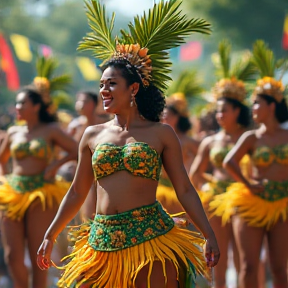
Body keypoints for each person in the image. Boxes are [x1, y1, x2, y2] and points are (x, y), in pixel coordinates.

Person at [37, 1, 219, 287]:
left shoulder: (161, 133)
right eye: (101, 84)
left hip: (150, 239)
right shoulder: (92, 135)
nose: (103, 91)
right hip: (100, 242)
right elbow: (77, 191)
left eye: (111, 84)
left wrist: (208, 233)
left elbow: (184, 187)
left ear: (133, 88)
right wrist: (50, 234)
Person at [211, 40, 288, 288]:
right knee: (248, 265)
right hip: (252, 202)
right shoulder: (251, 137)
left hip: (283, 203)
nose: (253, 108)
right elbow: (229, 161)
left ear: (272, 106)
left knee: (279, 266)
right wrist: (247, 182)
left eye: (257, 103)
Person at [189, 40, 253, 288]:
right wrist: (209, 185)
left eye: (224, 110)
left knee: (245, 257)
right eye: (217, 111)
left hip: (245, 200)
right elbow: (195, 174)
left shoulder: (250, 138)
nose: (219, 115)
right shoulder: (210, 141)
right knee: (218, 255)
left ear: (237, 111)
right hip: (216, 201)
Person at [0, 87, 77, 288]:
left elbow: (77, 150)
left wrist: (55, 165)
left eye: (22, 103)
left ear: (36, 106)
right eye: (17, 103)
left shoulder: (50, 130)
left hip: (41, 194)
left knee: (38, 256)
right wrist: (4, 178)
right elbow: (2, 158)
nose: (17, 107)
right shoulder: (13, 131)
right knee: (12, 257)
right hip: (13, 193)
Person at [59, 90, 110, 220]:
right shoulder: (75, 126)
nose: (80, 104)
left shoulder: (104, 125)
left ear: (94, 104)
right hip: (80, 175)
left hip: (101, 175)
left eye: (85, 101)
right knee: (86, 216)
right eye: (79, 101)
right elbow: (68, 149)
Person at [157, 93, 199, 215]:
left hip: (178, 191)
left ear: (177, 118)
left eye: (167, 116)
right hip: (159, 190)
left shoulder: (188, 141)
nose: (164, 119)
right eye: (163, 116)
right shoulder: (157, 138)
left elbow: (202, 161)